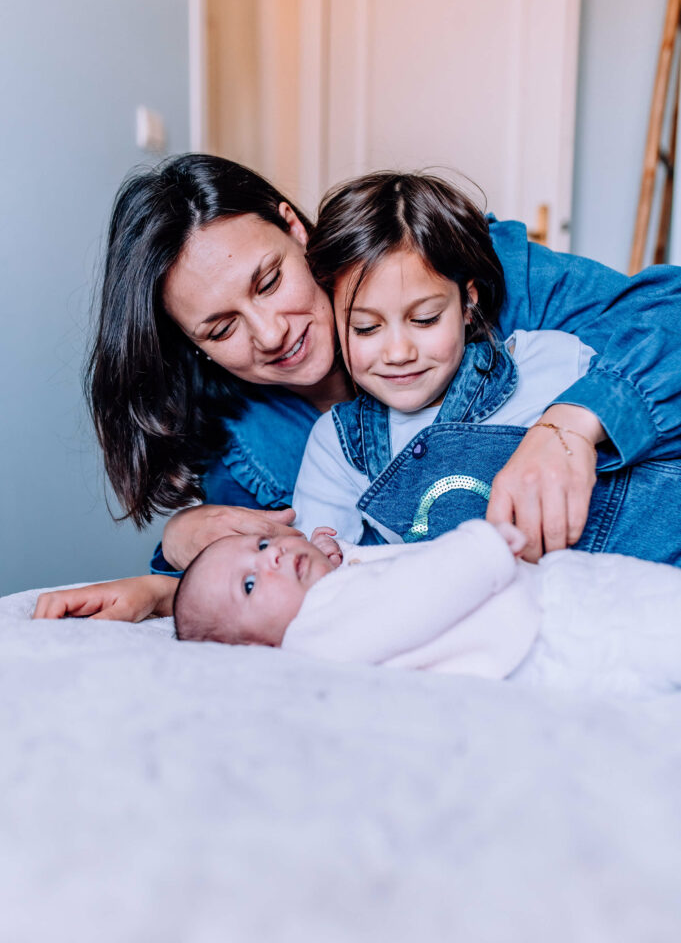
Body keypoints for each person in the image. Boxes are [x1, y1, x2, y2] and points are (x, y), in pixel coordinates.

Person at [32, 154, 681, 623]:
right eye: (222, 327)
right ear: (192, 345)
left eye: (267, 282)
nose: (269, 333)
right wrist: (161, 584)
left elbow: (666, 313)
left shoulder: (437, 261)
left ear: (293, 228)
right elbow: (275, 584)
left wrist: (570, 423)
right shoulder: (242, 444)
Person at [293, 172, 681, 565]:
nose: (398, 352)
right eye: (366, 327)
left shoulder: (549, 360)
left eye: (425, 319)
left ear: (467, 303)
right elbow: (314, 584)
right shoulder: (336, 447)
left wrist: (575, 426)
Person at [173, 521, 681, 700]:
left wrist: (341, 554)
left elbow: (373, 583)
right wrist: (480, 547)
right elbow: (410, 597)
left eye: (262, 545)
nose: (273, 556)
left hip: (550, 600)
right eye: (249, 583)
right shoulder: (310, 637)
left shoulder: (327, 604)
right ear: (255, 651)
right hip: (549, 631)